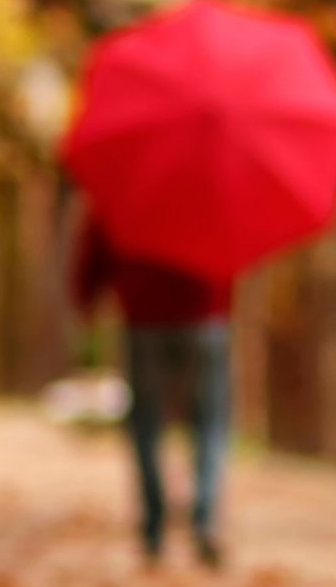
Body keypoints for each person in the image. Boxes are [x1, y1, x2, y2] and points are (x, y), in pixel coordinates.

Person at [72, 214, 234, 568]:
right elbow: (238, 241)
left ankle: (154, 526)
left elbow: (98, 239)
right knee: (210, 422)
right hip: (205, 310)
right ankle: (204, 519)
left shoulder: (130, 181)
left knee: (145, 424)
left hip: (145, 315)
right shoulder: (216, 180)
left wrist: (87, 297)